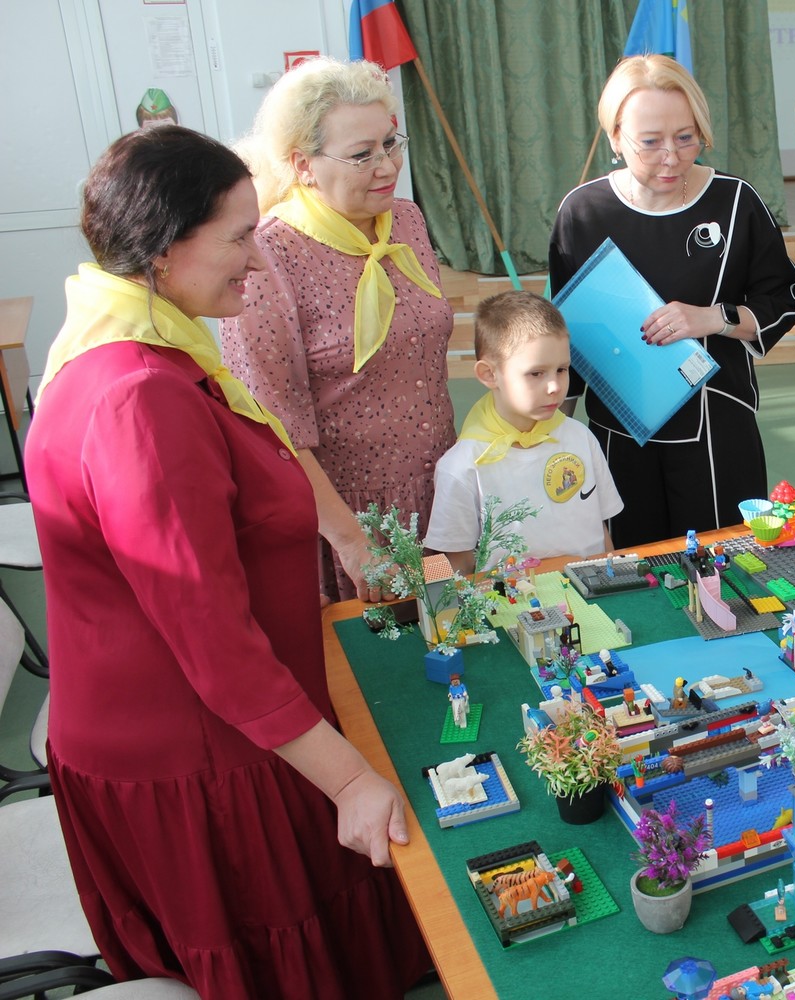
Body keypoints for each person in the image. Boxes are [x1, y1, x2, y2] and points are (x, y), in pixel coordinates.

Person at [25, 126, 428, 998]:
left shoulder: (127, 343)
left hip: (210, 724)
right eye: (240, 237)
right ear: (163, 249)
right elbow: (212, 640)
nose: (257, 259)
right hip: (198, 747)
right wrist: (350, 781)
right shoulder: (140, 398)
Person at [221, 58, 454, 602]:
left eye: (390, 143)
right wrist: (351, 543)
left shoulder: (407, 220)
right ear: (303, 165)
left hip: (439, 493)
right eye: (361, 155)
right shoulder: (268, 257)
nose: (386, 166)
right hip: (345, 518)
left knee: (452, 639)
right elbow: (273, 426)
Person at [550, 55, 795, 548]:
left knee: (724, 562)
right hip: (618, 429)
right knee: (630, 566)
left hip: (717, 422)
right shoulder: (582, 212)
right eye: (650, 142)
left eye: (686, 137)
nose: (670, 157)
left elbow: (786, 299)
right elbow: (567, 335)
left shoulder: (734, 202)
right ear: (616, 137)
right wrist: (555, 432)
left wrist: (714, 318)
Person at [425, 290, 622, 572]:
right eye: (536, 373)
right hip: (510, 599)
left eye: (562, 369)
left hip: (593, 590)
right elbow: (454, 564)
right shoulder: (460, 467)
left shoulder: (581, 438)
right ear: (489, 375)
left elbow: (601, 531)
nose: (554, 386)